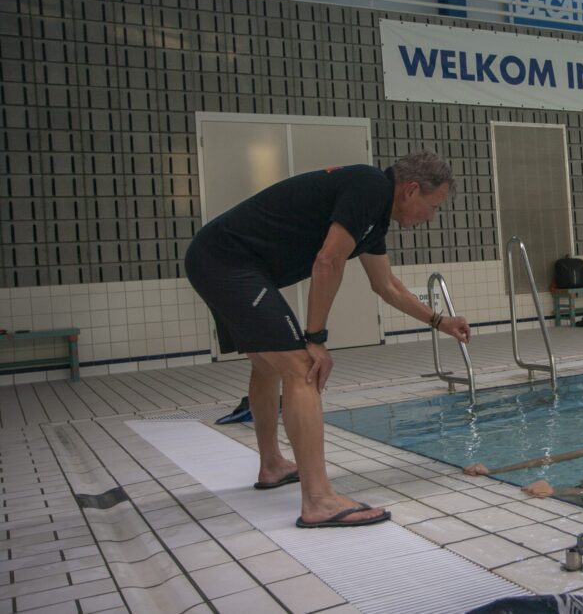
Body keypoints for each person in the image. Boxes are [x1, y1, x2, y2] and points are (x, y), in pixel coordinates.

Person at [185, 151, 470, 528]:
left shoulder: (375, 215)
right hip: (227, 261)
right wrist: (315, 338)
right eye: (432, 207)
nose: (431, 218)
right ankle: (319, 500)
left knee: (268, 364)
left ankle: (272, 464)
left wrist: (440, 321)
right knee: (303, 365)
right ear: (411, 190)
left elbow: (386, 286)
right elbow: (327, 261)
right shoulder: (369, 187)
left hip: (223, 260)